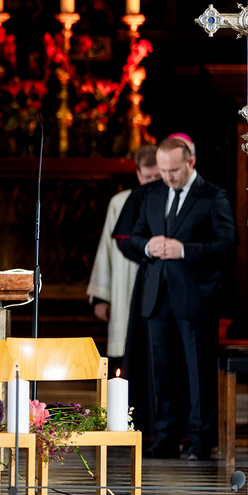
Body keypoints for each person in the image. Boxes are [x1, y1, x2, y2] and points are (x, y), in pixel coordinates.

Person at [127, 137, 238, 460]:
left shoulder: (213, 196)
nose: (167, 177)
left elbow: (228, 243)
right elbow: (135, 237)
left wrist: (184, 250)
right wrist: (148, 246)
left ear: (191, 162)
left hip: (195, 296)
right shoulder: (153, 193)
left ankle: (200, 440)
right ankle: (166, 436)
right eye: (163, 171)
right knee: (162, 370)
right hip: (157, 294)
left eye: (173, 170)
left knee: (198, 371)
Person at [87, 145, 159, 370]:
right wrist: (101, 297)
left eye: (157, 177)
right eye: (148, 177)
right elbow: (107, 249)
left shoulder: (169, 200)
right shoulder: (120, 202)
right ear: (138, 174)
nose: (152, 182)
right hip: (125, 283)